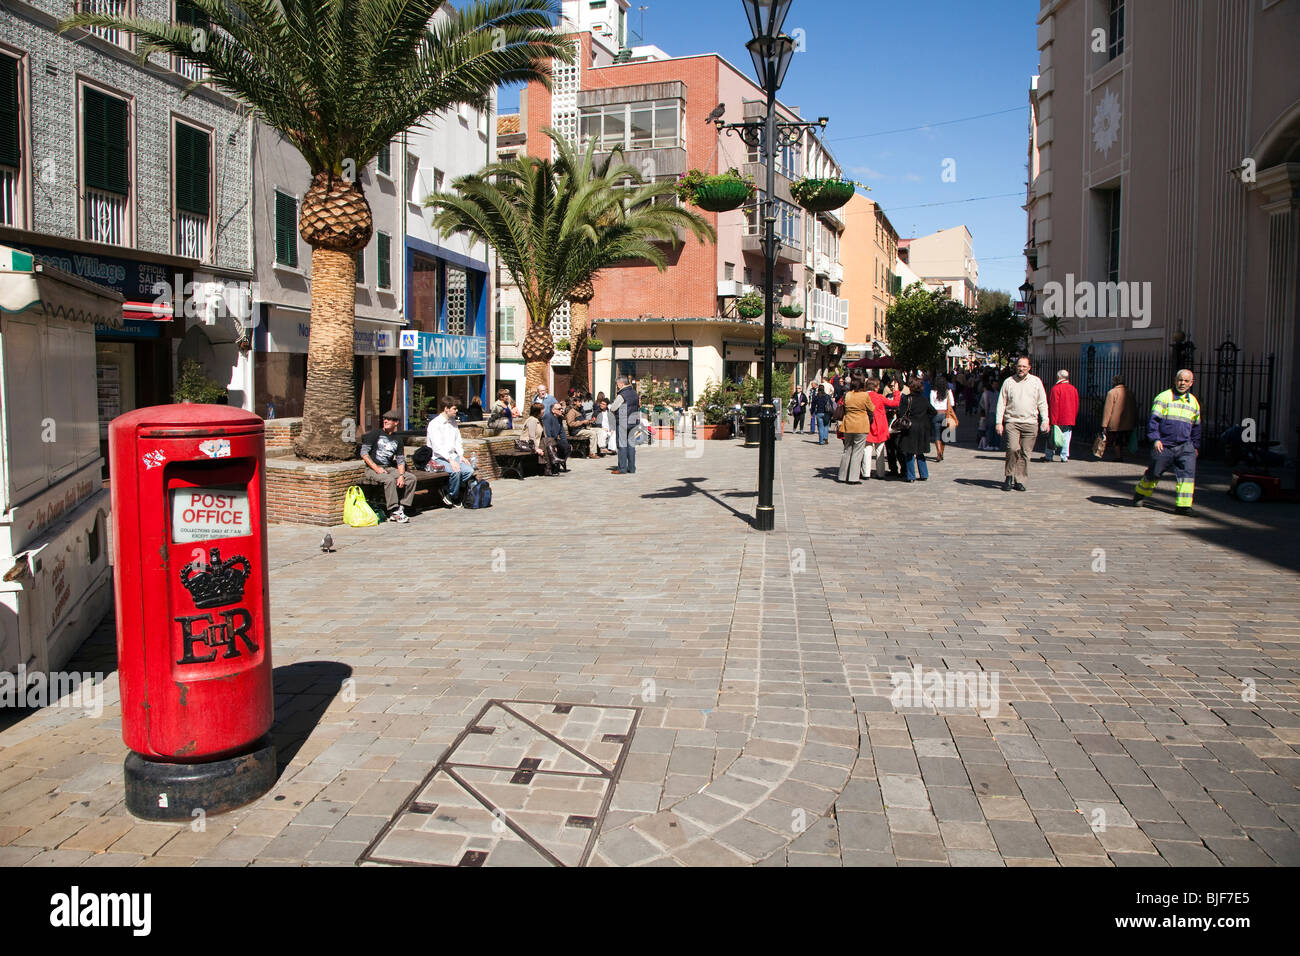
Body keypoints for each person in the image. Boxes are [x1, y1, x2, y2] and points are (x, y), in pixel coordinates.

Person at [1134, 369, 1201, 514]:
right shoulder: (1164, 397)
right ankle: (1140, 493)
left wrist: (1195, 446)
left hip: (1185, 446)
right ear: (1175, 380)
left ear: (1191, 383)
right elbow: (1153, 421)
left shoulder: (1194, 402)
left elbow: (1196, 426)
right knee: (1154, 473)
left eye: (1186, 381)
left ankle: (1183, 506)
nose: (1182, 383)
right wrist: (1155, 439)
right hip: (1164, 445)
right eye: (1180, 380)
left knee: (1187, 477)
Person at [995, 357, 1049, 492]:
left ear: (1029, 368)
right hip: (1012, 421)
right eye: (1019, 366)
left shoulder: (1036, 382)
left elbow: (1042, 402)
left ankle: (1020, 479)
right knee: (1013, 449)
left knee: (1025, 453)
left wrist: (1045, 419)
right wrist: (998, 422)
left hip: (1030, 422)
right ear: (1016, 367)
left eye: (1024, 367)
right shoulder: (1009, 382)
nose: (1021, 369)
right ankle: (1009, 476)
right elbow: (1001, 402)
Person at [358, 409, 416, 522]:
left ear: (396, 422)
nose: (386, 420)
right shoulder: (376, 433)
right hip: (372, 469)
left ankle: (401, 507)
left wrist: (401, 475)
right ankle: (393, 510)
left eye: (389, 419)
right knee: (389, 480)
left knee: (411, 478)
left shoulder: (398, 440)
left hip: (388, 467)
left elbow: (400, 460)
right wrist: (376, 468)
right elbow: (363, 453)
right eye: (385, 418)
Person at [426, 396, 476, 506]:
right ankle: (452, 495)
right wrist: (450, 461)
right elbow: (437, 447)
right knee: (455, 471)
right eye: (454, 408)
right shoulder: (434, 424)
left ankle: (450, 488)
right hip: (438, 458)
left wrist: (461, 456)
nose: (456, 411)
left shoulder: (453, 422)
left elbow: (458, 441)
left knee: (469, 470)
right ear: (446, 408)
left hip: (453, 455)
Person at [836, 371, 873, 484]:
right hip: (861, 425)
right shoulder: (865, 395)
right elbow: (872, 408)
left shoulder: (847, 395)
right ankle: (853, 477)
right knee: (857, 451)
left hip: (848, 425)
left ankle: (842, 475)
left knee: (847, 449)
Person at [896, 378, 931, 482]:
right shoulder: (924, 399)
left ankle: (911, 476)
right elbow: (932, 411)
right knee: (920, 452)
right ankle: (924, 474)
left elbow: (901, 413)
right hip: (922, 428)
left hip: (910, 427)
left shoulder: (906, 399)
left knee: (910, 452)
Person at [1042, 370, 1079, 462]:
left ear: (1059, 377)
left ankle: (1049, 455)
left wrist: (1052, 420)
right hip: (1069, 418)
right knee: (1066, 437)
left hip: (1058, 418)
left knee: (1052, 437)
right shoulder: (1073, 389)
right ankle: (1064, 456)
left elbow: (1053, 405)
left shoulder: (1056, 389)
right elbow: (1076, 404)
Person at [608, 374, 641, 474]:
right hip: (633, 422)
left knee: (622, 445)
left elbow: (613, 408)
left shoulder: (622, 395)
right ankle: (631, 468)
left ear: (622, 384)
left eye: (617, 384)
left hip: (623, 423)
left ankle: (622, 468)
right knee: (631, 445)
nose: (617, 386)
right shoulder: (635, 393)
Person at [1101, 375, 1139, 462]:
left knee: (1116, 440)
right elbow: (1134, 407)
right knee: (1124, 439)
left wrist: (1104, 424)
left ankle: (1118, 456)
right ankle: (1123, 454)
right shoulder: (1129, 392)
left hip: (1115, 423)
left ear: (1115, 382)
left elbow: (1108, 410)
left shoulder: (1112, 393)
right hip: (1128, 421)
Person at [523, 402, 561, 475]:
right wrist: (536, 449)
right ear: (537, 411)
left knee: (548, 441)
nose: (544, 411)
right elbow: (532, 436)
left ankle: (549, 467)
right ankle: (549, 466)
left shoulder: (540, 420)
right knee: (545, 444)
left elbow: (544, 435)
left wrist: (553, 446)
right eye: (542, 410)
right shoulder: (532, 420)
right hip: (528, 444)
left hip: (538, 442)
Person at [864, 377, 890, 479]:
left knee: (867, 451)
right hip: (879, 426)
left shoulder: (864, 396)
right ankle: (880, 473)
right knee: (880, 451)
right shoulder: (879, 397)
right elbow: (894, 403)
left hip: (867, 425)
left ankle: (866, 473)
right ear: (875, 387)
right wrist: (896, 392)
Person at [929, 375, 952, 462]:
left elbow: (931, 404)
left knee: (937, 435)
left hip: (936, 414)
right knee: (944, 435)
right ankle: (942, 451)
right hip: (945, 414)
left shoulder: (933, 392)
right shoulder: (948, 391)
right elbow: (952, 403)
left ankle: (938, 453)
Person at [543, 399, 571, 469]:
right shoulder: (548, 417)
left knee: (567, 447)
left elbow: (562, 433)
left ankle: (561, 461)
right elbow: (547, 433)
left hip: (555, 440)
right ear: (553, 410)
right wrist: (553, 446)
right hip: (547, 441)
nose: (561, 410)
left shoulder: (559, 418)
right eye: (559, 409)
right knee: (560, 447)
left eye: (562, 408)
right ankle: (554, 464)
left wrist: (567, 444)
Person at [978, 375, 999, 450]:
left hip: (992, 413)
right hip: (993, 413)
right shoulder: (994, 393)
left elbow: (984, 404)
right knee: (993, 429)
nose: (996, 385)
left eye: (997, 384)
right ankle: (994, 444)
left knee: (992, 429)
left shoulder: (992, 393)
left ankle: (992, 444)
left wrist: (985, 413)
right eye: (995, 384)